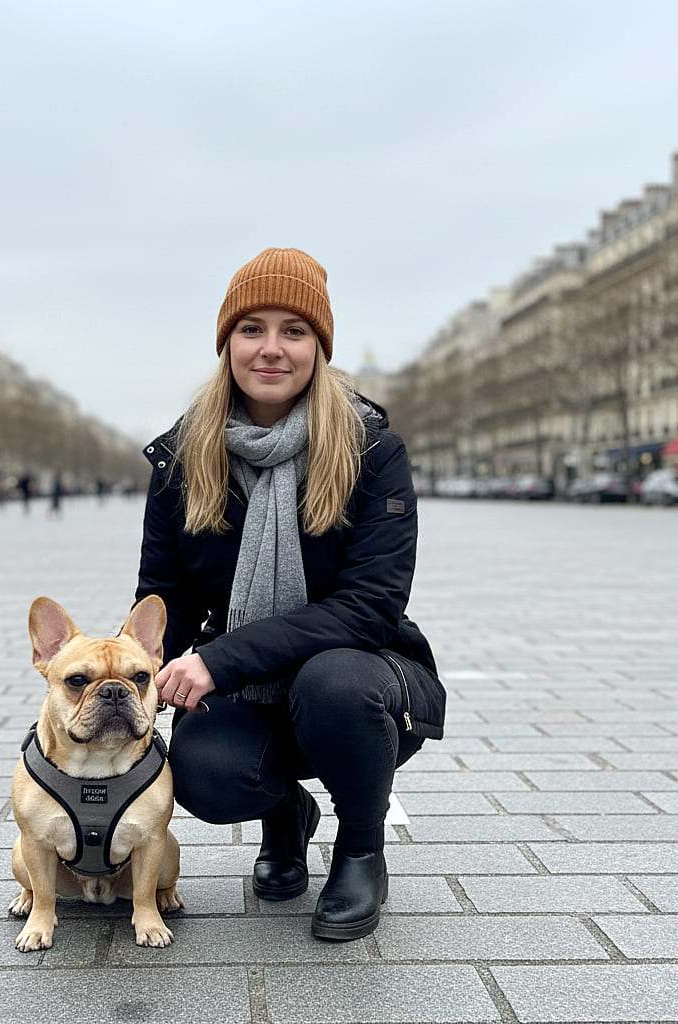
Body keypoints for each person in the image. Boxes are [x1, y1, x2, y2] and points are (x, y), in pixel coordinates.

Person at [135, 247, 446, 942]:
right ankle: (287, 816)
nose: (271, 349)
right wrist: (118, 677)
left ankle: (361, 851)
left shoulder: (371, 450)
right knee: (204, 772)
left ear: (319, 347)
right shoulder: (183, 459)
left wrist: (218, 660)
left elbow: (369, 607)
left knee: (334, 681)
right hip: (250, 686)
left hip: (368, 676)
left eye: (294, 331)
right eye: (251, 329)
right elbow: (166, 597)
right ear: (227, 344)